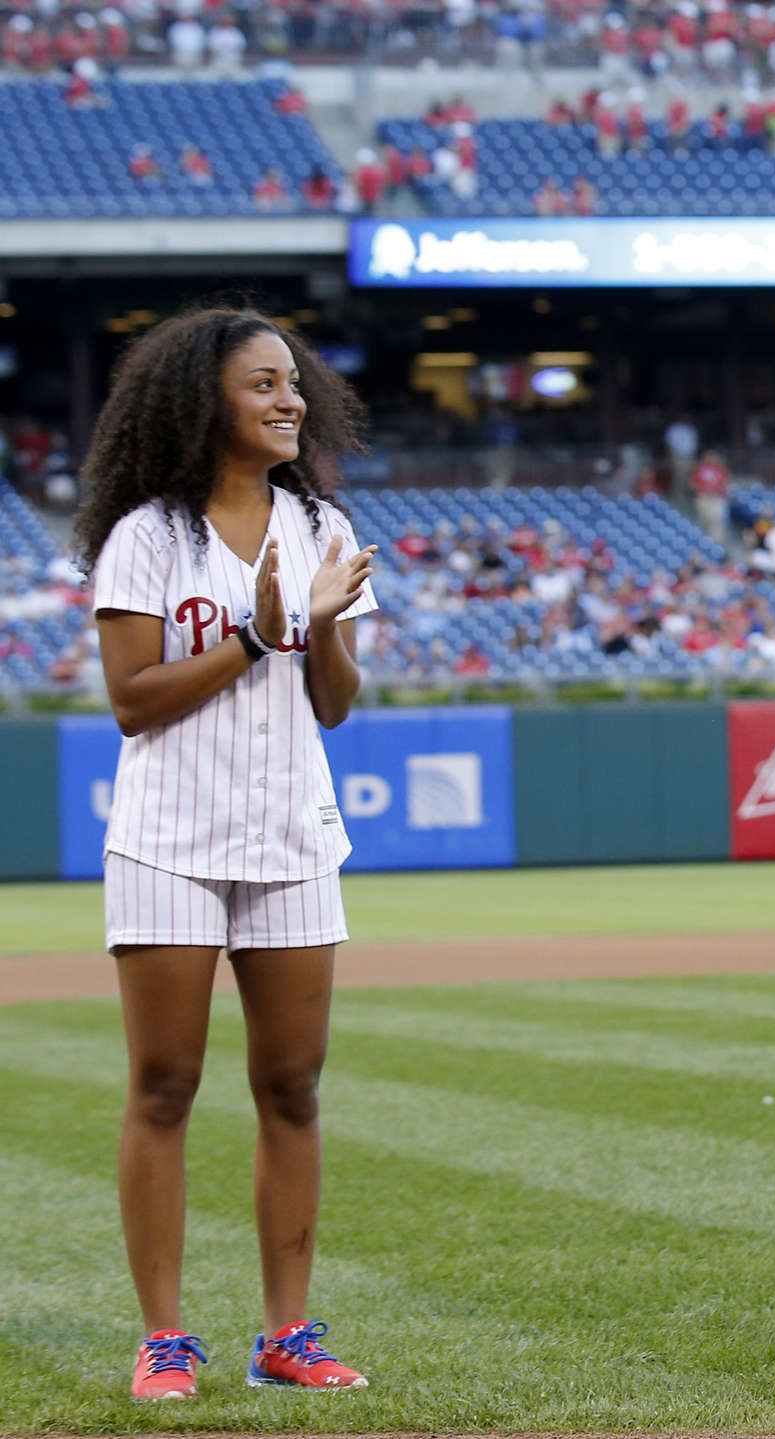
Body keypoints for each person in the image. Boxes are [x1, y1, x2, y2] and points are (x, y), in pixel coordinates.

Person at [72, 308, 380, 1402]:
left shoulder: (321, 524)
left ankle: (285, 1332)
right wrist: (253, 632)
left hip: (292, 834)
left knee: (292, 1083)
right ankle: (164, 1336)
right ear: (204, 399)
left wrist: (324, 623)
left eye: (293, 383)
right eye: (262, 384)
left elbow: (334, 705)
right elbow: (131, 700)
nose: (289, 399)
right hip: (171, 838)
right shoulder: (147, 536)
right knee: (164, 1082)